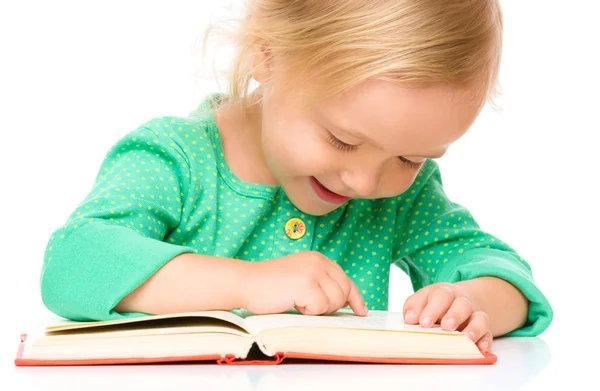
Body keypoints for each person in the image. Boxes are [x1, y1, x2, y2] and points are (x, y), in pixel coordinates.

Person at [40, 0, 552, 354]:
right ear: (266, 54)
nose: (365, 183)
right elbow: (72, 262)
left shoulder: (400, 197)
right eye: (342, 140)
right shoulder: (175, 159)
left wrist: (473, 302)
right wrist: (248, 283)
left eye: (410, 158)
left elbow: (504, 274)